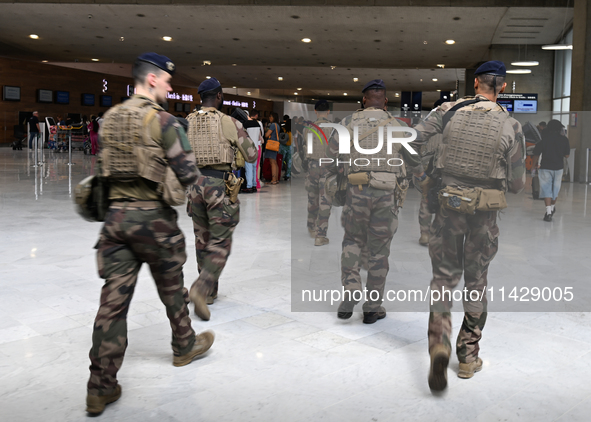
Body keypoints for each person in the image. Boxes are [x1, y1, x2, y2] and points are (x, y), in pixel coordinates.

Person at [86, 53, 214, 416]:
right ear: (153, 79)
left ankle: (99, 388)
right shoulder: (164, 121)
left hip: (114, 223)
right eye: (168, 81)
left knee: (111, 306)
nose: (171, 87)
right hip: (154, 222)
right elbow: (190, 176)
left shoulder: (108, 119)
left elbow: (100, 171)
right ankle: (184, 345)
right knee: (172, 289)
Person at [413, 60, 525, 392]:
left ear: (476, 83)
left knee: (443, 279)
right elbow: (518, 184)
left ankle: (439, 345)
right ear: (502, 87)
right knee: (476, 282)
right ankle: (467, 356)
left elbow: (414, 139)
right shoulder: (511, 124)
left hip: (448, 207)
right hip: (484, 215)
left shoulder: (448, 110)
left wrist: (429, 170)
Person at [326, 79, 417, 324]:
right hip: (386, 194)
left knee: (352, 241)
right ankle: (372, 307)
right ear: (385, 101)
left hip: (356, 190)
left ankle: (350, 289)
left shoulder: (346, 124)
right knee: (379, 251)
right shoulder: (399, 125)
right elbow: (414, 159)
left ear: (363, 100)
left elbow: (331, 156)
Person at [185, 77, 257, 320]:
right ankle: (202, 287)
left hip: (194, 185)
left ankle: (209, 293)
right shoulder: (229, 121)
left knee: (201, 237)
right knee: (221, 239)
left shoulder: (187, 122)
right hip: (218, 185)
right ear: (218, 96)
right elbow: (251, 155)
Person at [414, 99, 447, 246]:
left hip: (428, 169)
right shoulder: (453, 124)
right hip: (445, 170)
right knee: (445, 202)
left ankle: (425, 234)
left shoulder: (426, 124)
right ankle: (439, 234)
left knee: (426, 201)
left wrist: (418, 171)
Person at [303, 100, 333, 246]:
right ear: (328, 111)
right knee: (325, 200)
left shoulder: (308, 127)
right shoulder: (333, 129)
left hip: (312, 165)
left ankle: (311, 227)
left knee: (312, 197)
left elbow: (305, 145)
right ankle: (321, 236)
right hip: (327, 166)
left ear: (315, 111)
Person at [532, 119, 570, 221]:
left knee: (546, 190)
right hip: (558, 168)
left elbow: (536, 154)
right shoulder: (564, 140)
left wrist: (533, 166)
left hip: (545, 167)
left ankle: (548, 213)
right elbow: (567, 155)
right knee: (555, 189)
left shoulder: (543, 139)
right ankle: (552, 208)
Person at [243, 110, 264, 193]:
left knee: (248, 168)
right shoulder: (257, 123)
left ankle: (249, 186)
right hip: (256, 148)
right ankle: (254, 185)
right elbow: (260, 138)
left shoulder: (245, 124)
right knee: (255, 168)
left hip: (248, 149)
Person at [264, 112, 281, 184]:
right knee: (275, 162)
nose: (269, 118)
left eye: (271, 116)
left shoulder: (273, 125)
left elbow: (267, 135)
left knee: (272, 162)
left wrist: (266, 131)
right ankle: (276, 179)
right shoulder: (277, 125)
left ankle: (273, 179)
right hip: (276, 144)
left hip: (271, 145)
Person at [279, 115, 293, 181]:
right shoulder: (293, 131)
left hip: (283, 146)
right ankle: (287, 175)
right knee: (289, 161)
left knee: (281, 160)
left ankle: (278, 173)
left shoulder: (284, 129)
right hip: (290, 147)